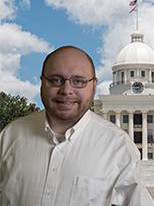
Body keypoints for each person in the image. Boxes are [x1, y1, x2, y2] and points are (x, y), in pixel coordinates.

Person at [0, 46, 142, 206]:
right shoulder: (10, 135)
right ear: (42, 82)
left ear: (94, 86)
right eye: (55, 80)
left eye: (78, 81)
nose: (66, 90)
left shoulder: (119, 146)